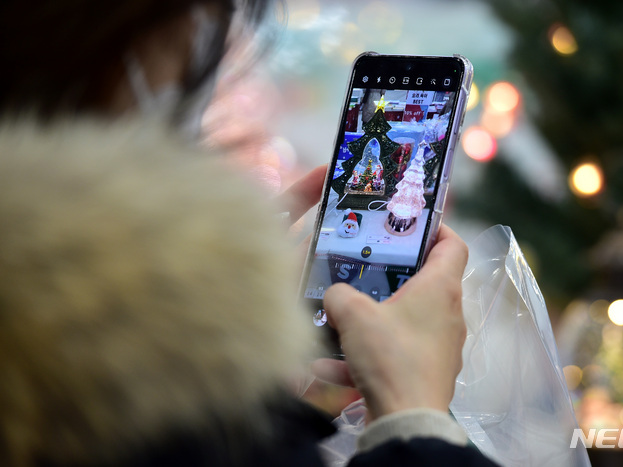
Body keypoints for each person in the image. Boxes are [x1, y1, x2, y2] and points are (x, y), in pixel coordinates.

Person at [0, 0, 497, 465]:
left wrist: (231, 348)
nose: (207, 60)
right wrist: (414, 418)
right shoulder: (134, 378)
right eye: (209, 29)